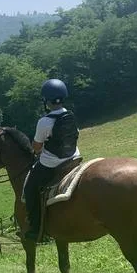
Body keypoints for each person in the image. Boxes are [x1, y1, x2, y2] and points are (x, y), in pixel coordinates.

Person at [23, 79, 80, 241]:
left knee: (30, 189)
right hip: (73, 158)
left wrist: (38, 150)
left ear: (46, 101)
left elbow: (36, 147)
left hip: (52, 164)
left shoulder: (44, 121)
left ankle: (35, 228)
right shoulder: (70, 115)